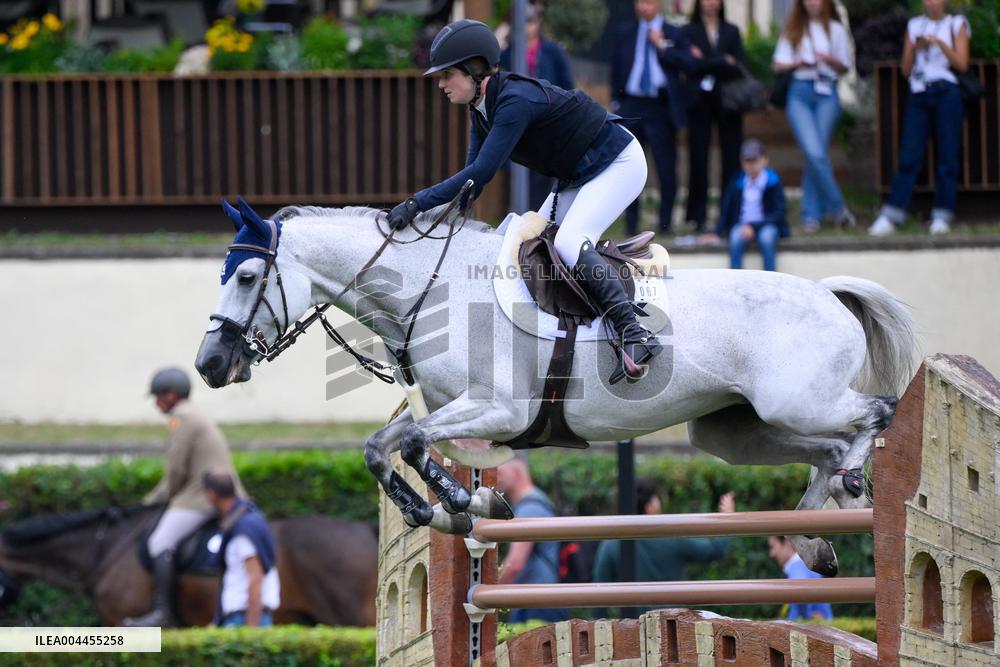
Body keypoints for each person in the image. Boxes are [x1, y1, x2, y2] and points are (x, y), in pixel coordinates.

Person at [387, 19, 661, 385]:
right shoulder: (482, 109)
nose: (440, 84)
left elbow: (481, 173)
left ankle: (635, 333)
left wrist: (415, 204)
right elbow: (471, 184)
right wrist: (430, 227)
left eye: (447, 74)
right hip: (579, 175)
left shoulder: (514, 101)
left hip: (618, 161)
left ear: (474, 69)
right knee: (515, 237)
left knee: (567, 242)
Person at [124, 367, 246, 627]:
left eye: (157, 396)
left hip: (201, 497)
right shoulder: (195, 415)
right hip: (213, 492)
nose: (156, 403)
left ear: (170, 395)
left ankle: (163, 613)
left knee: (160, 542)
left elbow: (176, 470)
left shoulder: (181, 418)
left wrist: (152, 500)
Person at [868, 0, 969, 236]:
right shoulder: (914, 25)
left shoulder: (957, 24)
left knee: (947, 155)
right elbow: (905, 70)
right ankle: (892, 214)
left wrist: (940, 43)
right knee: (909, 155)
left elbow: (962, 64)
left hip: (947, 92)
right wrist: (915, 47)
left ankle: (942, 215)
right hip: (919, 93)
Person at [592, 478, 735, 617]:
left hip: (630, 629)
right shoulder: (671, 536)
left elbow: (598, 593)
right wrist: (728, 518)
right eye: (656, 498)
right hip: (673, 627)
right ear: (649, 507)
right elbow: (714, 550)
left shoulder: (611, 543)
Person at [772, 0, 855, 233]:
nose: (812, 3)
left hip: (827, 92)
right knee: (815, 151)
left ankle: (811, 215)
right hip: (799, 92)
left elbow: (845, 66)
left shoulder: (837, 30)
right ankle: (839, 209)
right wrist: (799, 62)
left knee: (815, 154)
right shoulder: (794, 28)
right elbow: (778, 65)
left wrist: (828, 59)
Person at [612, 0, 692, 236]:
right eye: (639, 2)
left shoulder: (675, 33)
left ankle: (665, 224)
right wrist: (617, 101)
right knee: (628, 167)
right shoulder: (624, 32)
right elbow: (617, 69)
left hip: (661, 106)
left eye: (648, 2)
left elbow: (687, 63)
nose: (643, 7)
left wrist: (662, 46)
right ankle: (631, 226)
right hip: (632, 106)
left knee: (665, 167)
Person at [500, 5, 574, 211]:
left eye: (531, 21)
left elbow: (566, 84)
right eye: (522, 22)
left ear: (538, 23)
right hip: (520, 122)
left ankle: (539, 219)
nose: (527, 27)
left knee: (543, 175)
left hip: (548, 120)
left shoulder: (553, 51)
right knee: (519, 171)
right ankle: (521, 216)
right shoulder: (508, 53)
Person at [680, 0, 746, 233]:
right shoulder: (688, 31)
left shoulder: (732, 31)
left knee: (731, 157)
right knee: (698, 158)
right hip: (699, 102)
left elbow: (738, 66)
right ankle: (697, 216)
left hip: (727, 101)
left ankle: (731, 214)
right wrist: (720, 61)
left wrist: (705, 61)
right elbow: (689, 65)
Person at [204, 468, 280, 628]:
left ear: (211, 494)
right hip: (239, 618)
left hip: (241, 620)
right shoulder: (251, 519)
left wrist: (250, 632)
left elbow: (255, 579)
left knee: (159, 544)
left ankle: (162, 610)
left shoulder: (243, 530)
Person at [495, 454, 567, 623]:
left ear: (517, 468)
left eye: (499, 466)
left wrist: (484, 593)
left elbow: (515, 564)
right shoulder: (535, 502)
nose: (494, 473)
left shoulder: (530, 508)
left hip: (536, 602)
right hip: (538, 599)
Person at [705, 139, 789, 271]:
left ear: (765, 160)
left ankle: (771, 279)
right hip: (743, 226)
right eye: (748, 161)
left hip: (767, 224)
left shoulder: (773, 181)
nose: (751, 165)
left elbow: (779, 212)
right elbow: (726, 209)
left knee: (766, 239)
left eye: (755, 160)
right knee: (735, 238)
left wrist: (753, 226)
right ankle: (736, 281)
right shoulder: (737, 181)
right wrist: (717, 232)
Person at [767, 535, 834, 621]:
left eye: (773, 546)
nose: (772, 553)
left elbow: (799, 591)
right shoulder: (805, 564)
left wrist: (806, 615)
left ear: (788, 543)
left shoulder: (797, 566)